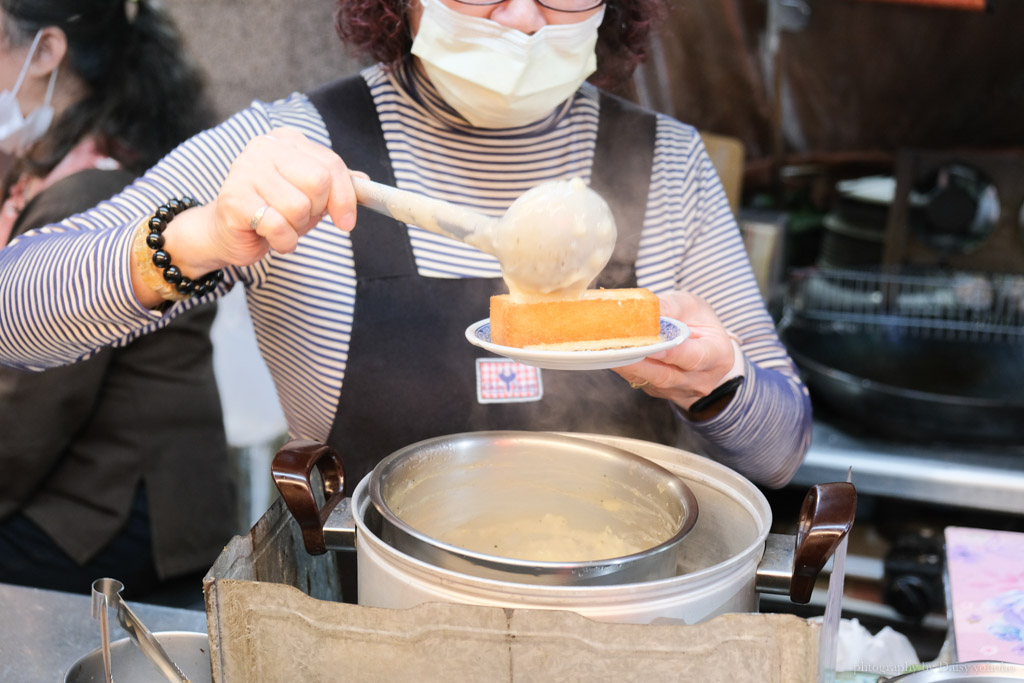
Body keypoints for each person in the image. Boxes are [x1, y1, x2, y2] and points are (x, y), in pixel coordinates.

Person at [0, 0, 811, 513]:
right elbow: (12, 315)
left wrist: (722, 383)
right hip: (365, 623)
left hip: (619, 624)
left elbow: (782, 451)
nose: (524, 18)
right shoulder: (295, 146)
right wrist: (200, 237)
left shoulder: (667, 163)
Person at [0, 0, 237, 599]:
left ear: (47, 51)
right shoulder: (64, 164)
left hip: (123, 512)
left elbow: (26, 421)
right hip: (94, 489)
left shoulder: (90, 191)